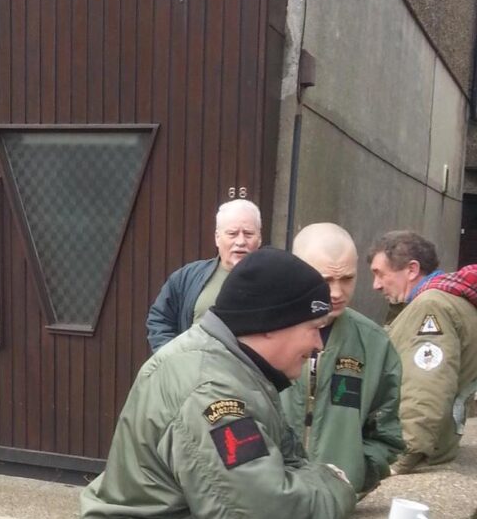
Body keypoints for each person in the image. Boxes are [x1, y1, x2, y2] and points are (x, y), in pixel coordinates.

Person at [49, 248, 356, 519]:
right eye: (313, 327)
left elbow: (269, 488)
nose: (319, 344)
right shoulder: (212, 389)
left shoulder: (232, 370)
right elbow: (266, 517)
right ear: (271, 323)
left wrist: (233, 517)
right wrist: (338, 483)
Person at [280, 223, 404, 492]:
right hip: (271, 499)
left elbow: (386, 430)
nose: (337, 293)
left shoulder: (374, 343)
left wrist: (357, 473)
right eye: (325, 280)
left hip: (340, 499)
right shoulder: (266, 335)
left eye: (347, 279)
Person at [369, 231, 477, 474]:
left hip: (417, 451)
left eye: (380, 273)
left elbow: (427, 386)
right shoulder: (449, 301)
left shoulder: (431, 307)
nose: (376, 285)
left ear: (411, 269)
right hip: (438, 442)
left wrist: (401, 457)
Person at [146, 199, 262, 352]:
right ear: (217, 238)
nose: (240, 241)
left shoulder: (274, 282)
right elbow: (160, 320)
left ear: (259, 238)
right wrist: (174, 359)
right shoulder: (188, 277)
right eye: (232, 234)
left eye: (248, 234)